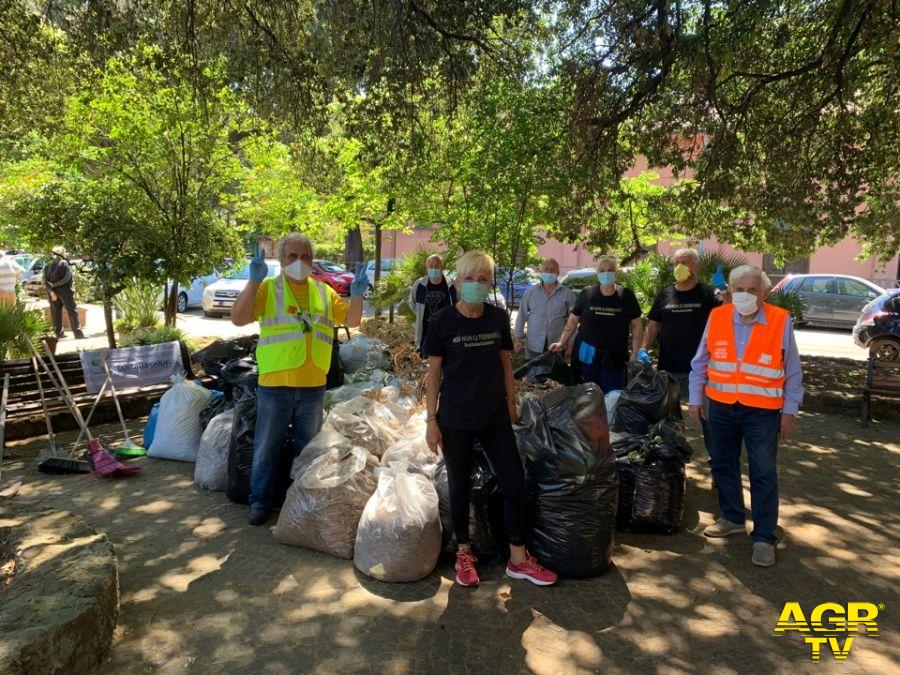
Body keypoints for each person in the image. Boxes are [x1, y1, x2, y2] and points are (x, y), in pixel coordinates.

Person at [425, 250, 557, 588]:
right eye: (470, 278)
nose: (476, 284)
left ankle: (518, 558)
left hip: (495, 416)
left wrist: (512, 401)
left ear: (490, 283)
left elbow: (505, 364)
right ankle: (464, 554)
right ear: (457, 282)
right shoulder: (441, 322)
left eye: (483, 279)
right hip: (455, 419)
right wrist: (430, 420)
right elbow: (434, 374)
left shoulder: (498, 318)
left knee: (515, 483)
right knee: (460, 486)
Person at [231, 233, 368, 525]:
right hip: (275, 384)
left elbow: (352, 320)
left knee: (309, 451)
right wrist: (253, 281)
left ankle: (303, 502)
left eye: (305, 257)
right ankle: (260, 502)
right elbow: (238, 318)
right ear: (281, 261)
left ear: (313, 260)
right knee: (266, 448)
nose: (299, 262)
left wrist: (357, 295)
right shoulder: (269, 289)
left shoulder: (323, 291)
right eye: (292, 256)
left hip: (313, 385)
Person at [688, 265, 803, 568]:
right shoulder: (718, 316)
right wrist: (695, 399)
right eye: (739, 289)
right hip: (721, 406)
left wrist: (789, 411)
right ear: (730, 291)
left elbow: (792, 371)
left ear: (764, 292)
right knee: (724, 465)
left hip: (762, 412)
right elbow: (701, 362)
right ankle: (733, 518)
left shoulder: (780, 320)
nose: (745, 295)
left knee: (763, 473)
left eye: (752, 290)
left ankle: (764, 536)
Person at [549, 255, 643, 393]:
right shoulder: (587, 293)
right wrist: (561, 342)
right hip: (588, 354)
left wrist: (635, 351)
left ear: (615, 272)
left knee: (612, 394)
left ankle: (609, 415)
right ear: (597, 273)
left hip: (615, 355)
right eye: (602, 270)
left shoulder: (626, 295)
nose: (606, 273)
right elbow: (573, 320)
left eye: (610, 270)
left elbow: (636, 325)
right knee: (589, 394)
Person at [514, 258, 576, 359]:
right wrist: (517, 339)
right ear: (541, 272)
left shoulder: (567, 294)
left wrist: (570, 345)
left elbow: (573, 321)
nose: (548, 272)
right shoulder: (530, 292)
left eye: (552, 270)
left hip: (557, 346)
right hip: (533, 345)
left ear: (558, 273)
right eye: (546, 269)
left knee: (555, 374)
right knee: (533, 374)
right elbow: (521, 316)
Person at [409, 254, 457, 356]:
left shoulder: (451, 285)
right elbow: (412, 303)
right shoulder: (420, 284)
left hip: (447, 332)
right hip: (426, 332)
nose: (434, 268)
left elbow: (458, 304)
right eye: (431, 266)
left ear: (442, 267)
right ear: (427, 268)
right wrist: (420, 314)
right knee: (425, 360)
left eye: (436, 266)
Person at [42, 246, 85, 339]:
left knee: (55, 312)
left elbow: (44, 281)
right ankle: (78, 334)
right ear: (62, 253)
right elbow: (67, 278)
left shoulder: (47, 265)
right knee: (72, 311)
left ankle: (59, 334)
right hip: (65, 291)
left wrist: (51, 291)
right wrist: (56, 285)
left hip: (52, 293)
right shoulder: (65, 263)